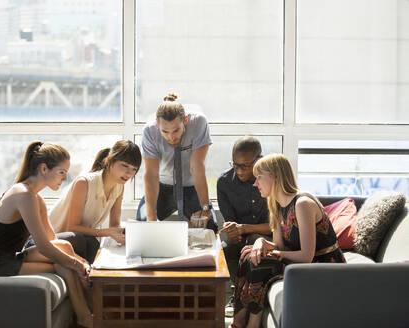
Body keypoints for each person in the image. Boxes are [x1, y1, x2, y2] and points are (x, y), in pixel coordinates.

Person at [0, 141, 93, 328]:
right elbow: (44, 246)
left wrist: (82, 263)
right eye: (62, 172)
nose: (65, 178)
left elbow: (52, 240)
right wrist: (76, 265)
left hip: (10, 256)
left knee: (65, 246)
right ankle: (86, 318)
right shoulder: (24, 195)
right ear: (44, 168)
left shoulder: (36, 198)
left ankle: (90, 307)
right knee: (65, 267)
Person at [230, 154, 346, 328]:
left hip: (324, 266)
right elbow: (280, 246)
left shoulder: (302, 204)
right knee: (248, 254)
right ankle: (237, 322)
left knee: (259, 263)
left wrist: (274, 253)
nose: (255, 184)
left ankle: (252, 325)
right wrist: (261, 243)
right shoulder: (276, 205)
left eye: (259, 177)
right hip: (302, 263)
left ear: (276, 176)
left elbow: (307, 256)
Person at [49, 140, 142, 264]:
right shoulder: (84, 183)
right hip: (56, 237)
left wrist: (130, 234)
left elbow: (114, 225)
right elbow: (72, 227)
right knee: (91, 242)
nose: (129, 173)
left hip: (81, 240)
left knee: (94, 244)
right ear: (109, 161)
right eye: (124, 165)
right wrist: (107, 233)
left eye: (133, 169)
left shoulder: (119, 187)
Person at [136, 93, 217, 231]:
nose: (171, 137)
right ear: (157, 123)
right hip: (162, 187)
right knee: (143, 226)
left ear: (185, 120)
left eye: (176, 130)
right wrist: (151, 218)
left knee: (210, 225)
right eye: (165, 131)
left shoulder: (199, 122)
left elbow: (197, 167)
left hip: (191, 187)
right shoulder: (149, 131)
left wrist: (205, 208)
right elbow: (151, 175)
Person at [216, 137, 270, 315]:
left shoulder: (270, 180)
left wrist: (244, 228)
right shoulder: (224, 182)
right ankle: (237, 294)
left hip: (267, 237)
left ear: (259, 159)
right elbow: (231, 222)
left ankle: (251, 299)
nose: (239, 170)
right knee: (224, 248)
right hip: (242, 236)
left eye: (245, 166)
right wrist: (231, 231)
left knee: (254, 242)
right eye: (235, 164)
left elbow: (276, 226)